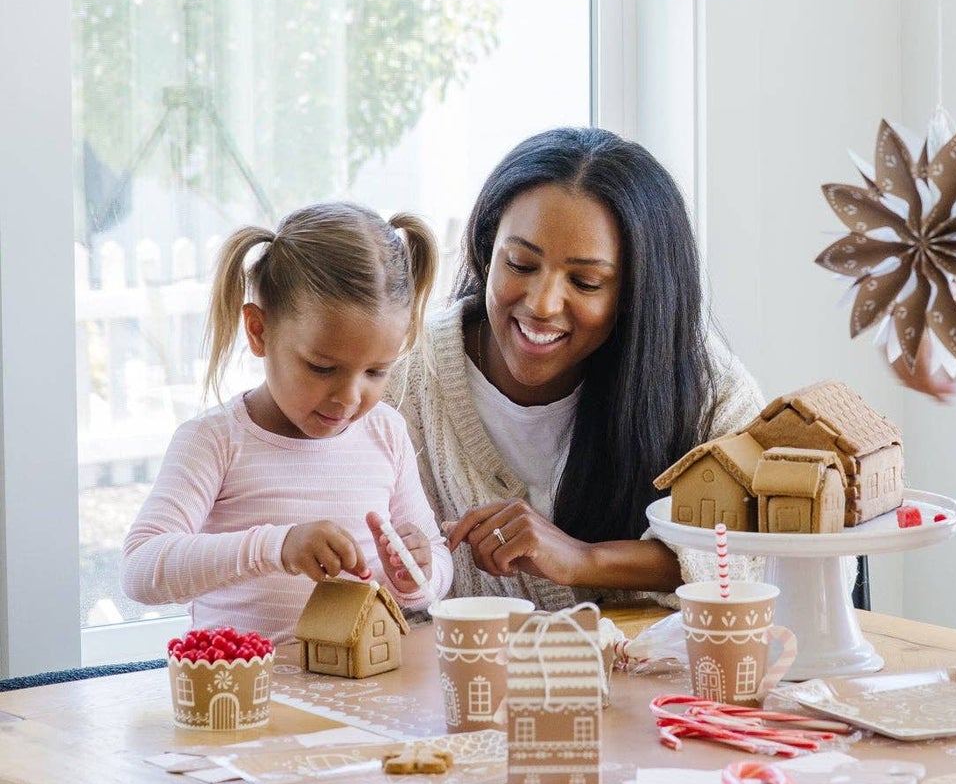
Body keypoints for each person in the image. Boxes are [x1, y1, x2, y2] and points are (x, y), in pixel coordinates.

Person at [391, 127, 762, 610]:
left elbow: (775, 554)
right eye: (521, 265)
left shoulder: (708, 391)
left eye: (586, 282)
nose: (542, 305)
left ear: (634, 294)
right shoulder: (399, 387)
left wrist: (585, 560)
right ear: (486, 250)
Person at [123, 203, 453, 644]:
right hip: (243, 697)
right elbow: (141, 569)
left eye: (376, 372)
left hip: (363, 690)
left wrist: (417, 570)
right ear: (259, 331)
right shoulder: (216, 441)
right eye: (321, 367)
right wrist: (275, 547)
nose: (350, 398)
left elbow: (434, 573)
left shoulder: (385, 432)